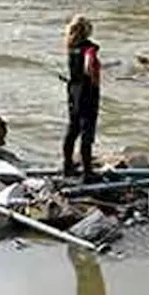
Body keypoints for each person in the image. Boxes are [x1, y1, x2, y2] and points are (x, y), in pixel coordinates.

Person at [62, 15, 101, 179]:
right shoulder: (89, 48)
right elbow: (89, 65)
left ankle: (68, 166)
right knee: (87, 131)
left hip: (73, 90)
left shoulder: (71, 46)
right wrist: (94, 79)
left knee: (73, 128)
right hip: (88, 91)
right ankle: (87, 172)